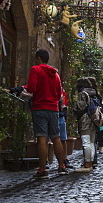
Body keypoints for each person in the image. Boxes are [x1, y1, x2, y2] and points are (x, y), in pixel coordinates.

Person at [23, 49, 68, 177]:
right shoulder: (56, 74)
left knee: (42, 137)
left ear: (38, 58)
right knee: (56, 137)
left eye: (35, 58)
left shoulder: (35, 70)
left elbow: (32, 88)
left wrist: (25, 89)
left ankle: (42, 169)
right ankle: (61, 166)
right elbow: (59, 94)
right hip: (53, 109)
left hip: (39, 107)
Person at [74, 77, 100, 173]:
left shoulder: (82, 94)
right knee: (92, 142)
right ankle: (91, 161)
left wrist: (76, 113)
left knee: (86, 142)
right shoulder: (94, 93)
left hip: (85, 119)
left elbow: (81, 107)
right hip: (94, 119)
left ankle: (87, 163)